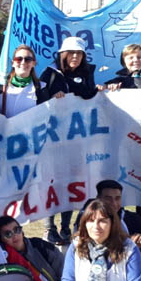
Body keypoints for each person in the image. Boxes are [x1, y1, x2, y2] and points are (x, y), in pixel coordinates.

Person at [40, 36, 104, 244]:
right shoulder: (50, 74)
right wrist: (53, 97)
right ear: (63, 55)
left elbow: (89, 95)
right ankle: (49, 228)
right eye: (72, 53)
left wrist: (98, 91)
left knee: (69, 183)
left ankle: (66, 227)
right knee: (52, 182)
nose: (75, 57)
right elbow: (39, 100)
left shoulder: (86, 74)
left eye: (79, 53)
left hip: (76, 139)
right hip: (53, 139)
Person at [104, 43, 141, 226]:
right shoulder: (115, 81)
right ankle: (117, 226)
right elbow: (99, 100)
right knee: (121, 185)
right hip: (122, 143)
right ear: (124, 61)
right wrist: (106, 90)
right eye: (131, 57)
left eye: (139, 57)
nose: (135, 60)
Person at [0, 215, 65, 281]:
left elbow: (65, 275)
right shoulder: (2, 260)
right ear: (0, 239)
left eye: (17, 230)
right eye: (8, 234)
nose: (15, 235)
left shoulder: (40, 246)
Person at [0, 44, 51, 118]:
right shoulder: (0, 87)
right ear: (12, 63)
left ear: (33, 63)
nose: (23, 62)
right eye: (18, 59)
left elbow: (45, 117)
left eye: (28, 59)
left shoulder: (41, 89)